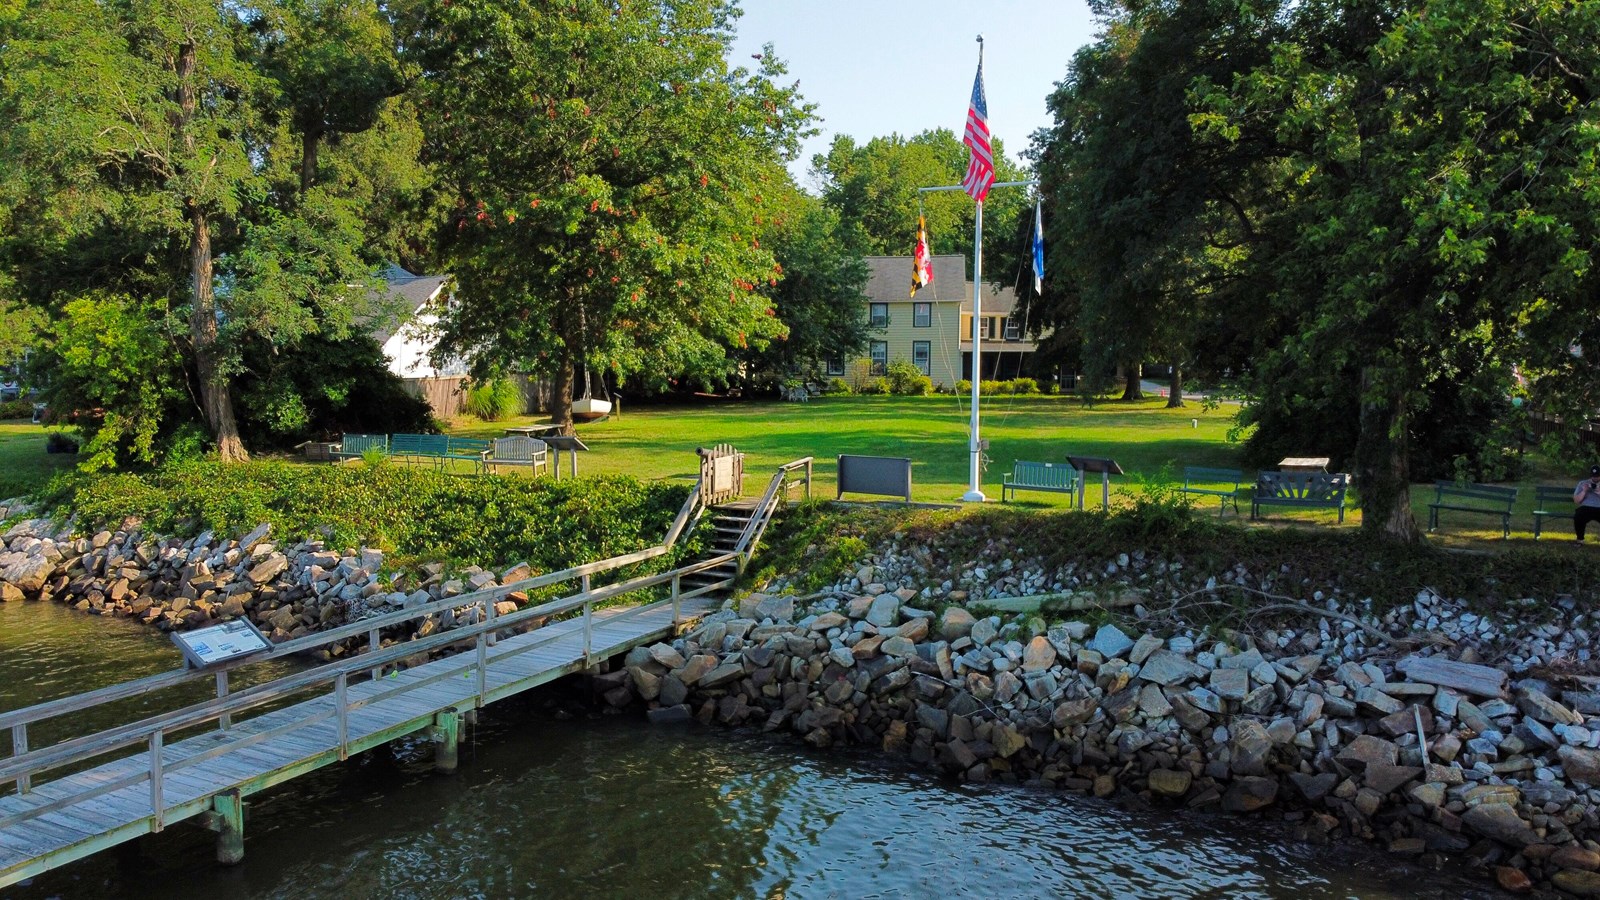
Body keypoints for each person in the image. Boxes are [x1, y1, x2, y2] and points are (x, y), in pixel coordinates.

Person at [1576, 465, 1600, 543]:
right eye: (1593, 476)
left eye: (1597, 476)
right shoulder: (1583, 483)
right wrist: (1584, 491)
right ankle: (1580, 540)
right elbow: (1577, 500)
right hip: (1586, 508)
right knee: (1578, 515)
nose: (1595, 478)